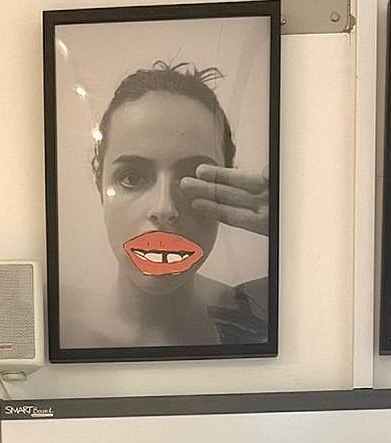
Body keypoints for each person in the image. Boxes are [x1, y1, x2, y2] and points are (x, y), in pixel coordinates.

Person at [59, 60, 270, 350]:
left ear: (226, 187)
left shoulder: (259, 313)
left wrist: (294, 223)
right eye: (132, 177)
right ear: (100, 187)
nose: (164, 208)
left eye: (193, 179)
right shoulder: (54, 325)